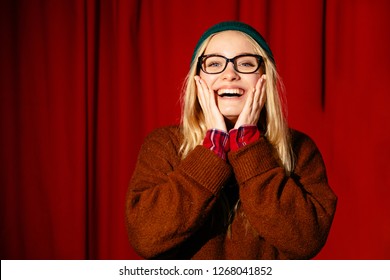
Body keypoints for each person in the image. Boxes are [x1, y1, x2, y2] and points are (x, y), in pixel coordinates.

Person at [126, 21, 337, 259]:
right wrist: (212, 149)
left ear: (264, 79)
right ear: (198, 80)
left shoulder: (299, 148)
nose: (230, 74)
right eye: (214, 63)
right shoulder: (164, 145)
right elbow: (145, 237)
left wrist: (248, 145)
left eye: (246, 63)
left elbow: (306, 240)